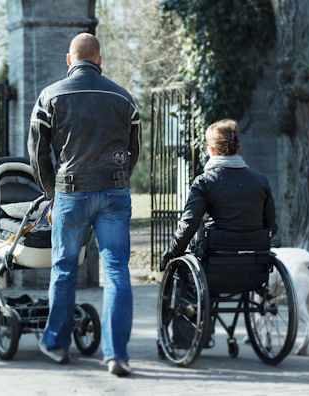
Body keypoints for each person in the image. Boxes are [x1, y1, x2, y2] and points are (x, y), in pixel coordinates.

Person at [27, 32, 141, 376]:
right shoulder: (124, 98)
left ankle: (58, 344)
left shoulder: (50, 96)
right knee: (117, 270)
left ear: (68, 60)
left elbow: (36, 153)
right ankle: (117, 355)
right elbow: (135, 149)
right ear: (100, 60)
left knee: (64, 269)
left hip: (71, 193)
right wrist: (119, 177)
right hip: (114, 193)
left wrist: (51, 192)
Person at [160, 119, 278, 270]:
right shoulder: (260, 181)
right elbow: (271, 226)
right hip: (253, 263)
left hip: (214, 262)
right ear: (237, 148)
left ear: (212, 150)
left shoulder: (204, 182)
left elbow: (189, 224)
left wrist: (172, 251)